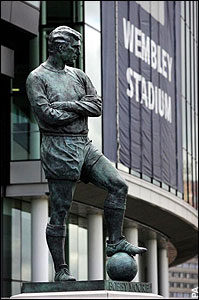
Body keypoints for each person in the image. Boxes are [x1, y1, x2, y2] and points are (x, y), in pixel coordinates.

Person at [26, 26, 147, 282]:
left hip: (84, 144)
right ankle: (61, 270)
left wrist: (67, 105)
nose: (77, 52)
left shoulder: (79, 76)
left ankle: (114, 241)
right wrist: (78, 110)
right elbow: (48, 116)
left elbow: (97, 105)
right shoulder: (37, 78)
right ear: (59, 47)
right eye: (74, 47)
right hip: (58, 147)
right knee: (60, 210)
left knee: (118, 185)